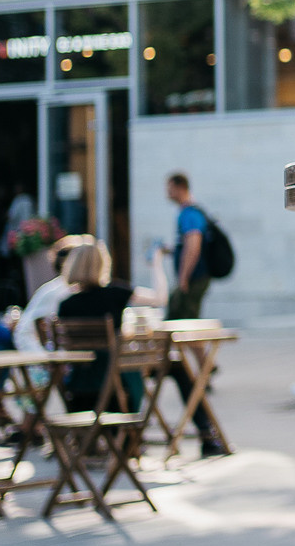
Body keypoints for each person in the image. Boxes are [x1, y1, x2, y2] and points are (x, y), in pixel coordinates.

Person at [55, 242, 164, 411]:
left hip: (78, 392)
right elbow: (159, 299)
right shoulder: (116, 293)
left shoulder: (66, 305)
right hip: (117, 391)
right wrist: (157, 264)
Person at [164, 173, 211, 321]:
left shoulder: (190, 213)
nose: (167, 193)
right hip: (193, 278)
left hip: (194, 278)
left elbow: (193, 247)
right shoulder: (187, 212)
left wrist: (183, 278)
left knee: (183, 319)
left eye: (170, 188)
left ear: (180, 188)